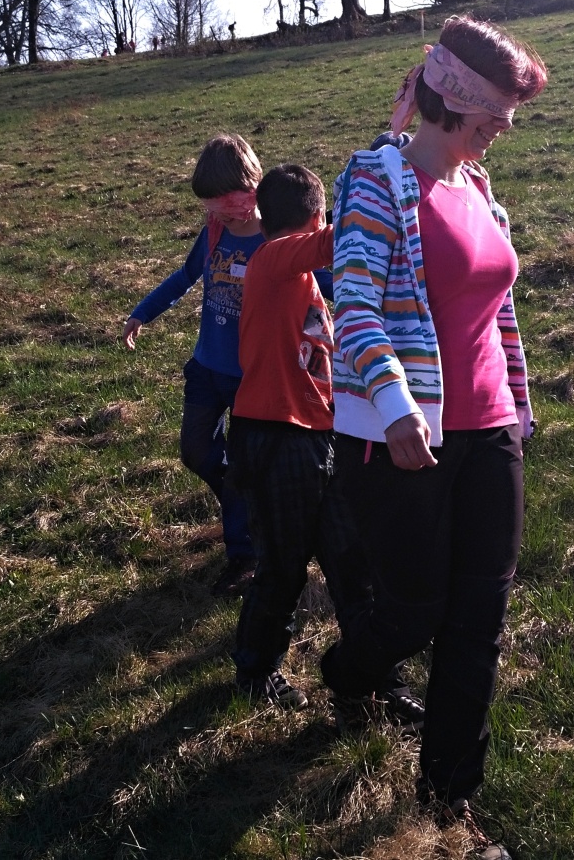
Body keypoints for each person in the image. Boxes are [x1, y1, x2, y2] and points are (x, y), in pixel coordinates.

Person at [320, 16, 547, 860]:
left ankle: (449, 804)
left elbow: (500, 315)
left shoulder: (481, 190)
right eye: (496, 110)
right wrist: (395, 403)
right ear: (452, 97)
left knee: (478, 620)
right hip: (402, 439)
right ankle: (350, 673)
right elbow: (355, 303)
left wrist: (518, 407)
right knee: (416, 610)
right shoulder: (377, 181)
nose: (505, 127)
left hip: (489, 434)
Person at [229, 164, 423, 728]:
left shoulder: (302, 281)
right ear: (314, 217)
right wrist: (390, 175)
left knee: (352, 562)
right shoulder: (269, 262)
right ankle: (255, 671)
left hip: (319, 438)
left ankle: (373, 681)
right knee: (283, 568)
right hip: (274, 436)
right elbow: (342, 238)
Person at [122, 134, 264, 596]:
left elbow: (324, 282)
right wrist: (143, 312)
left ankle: (244, 555)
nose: (219, 214)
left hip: (252, 378)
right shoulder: (215, 232)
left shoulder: (279, 237)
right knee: (196, 452)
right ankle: (245, 503)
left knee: (241, 466)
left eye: (226, 205)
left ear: (252, 188)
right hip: (206, 369)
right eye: (211, 207)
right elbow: (186, 276)